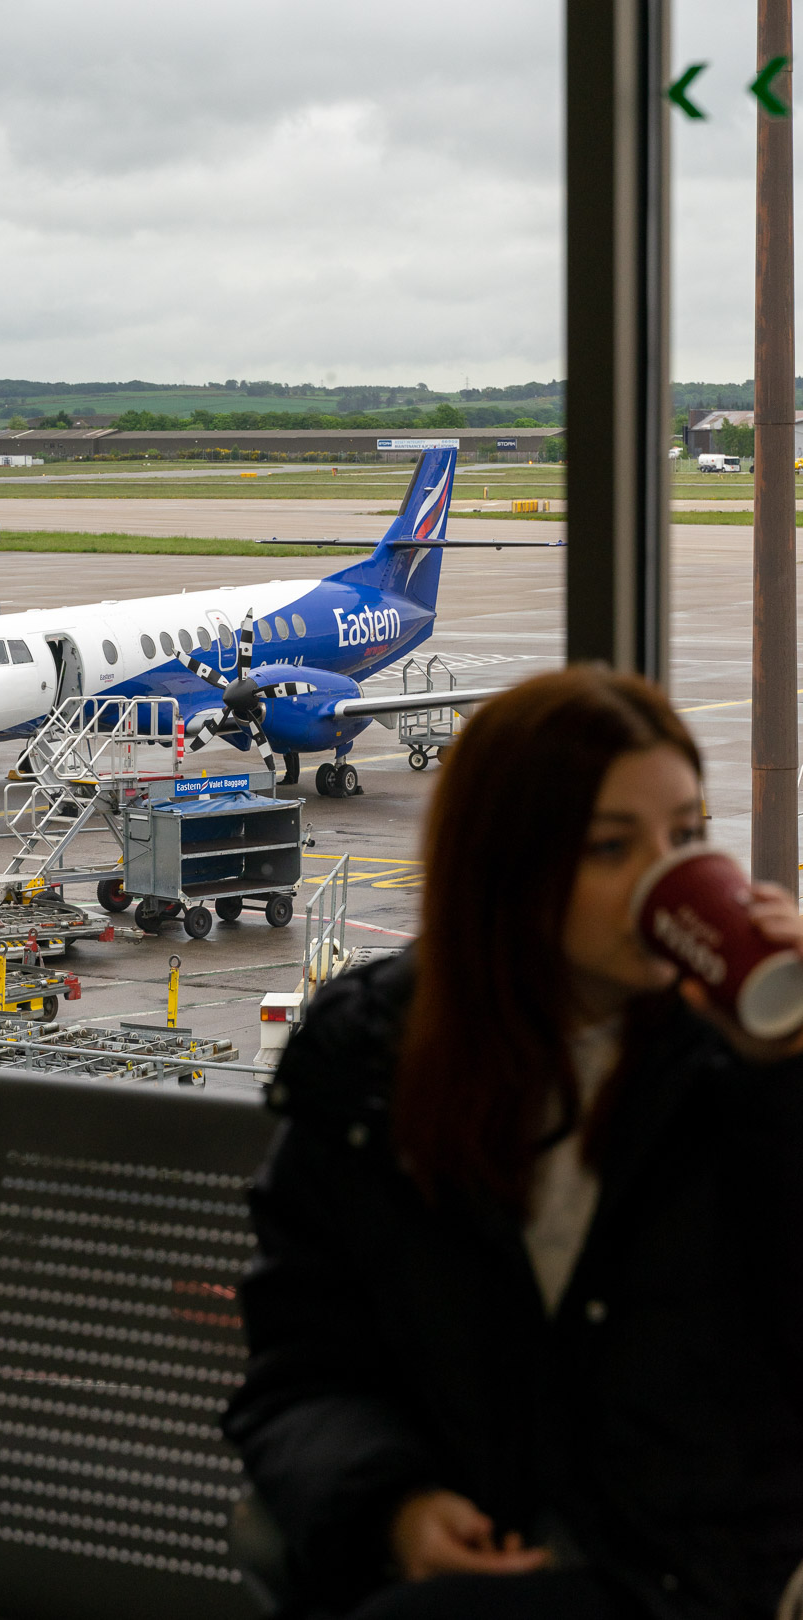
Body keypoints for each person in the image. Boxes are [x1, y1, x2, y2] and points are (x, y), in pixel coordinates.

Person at [223, 668, 803, 1620]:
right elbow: (301, 1371)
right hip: (476, 1559)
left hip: (694, 1577)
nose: (666, 873)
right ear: (506, 866)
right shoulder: (374, 1057)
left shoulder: (731, 1064)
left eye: (689, 837)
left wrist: (784, 1081)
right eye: (613, 847)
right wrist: (393, 1506)